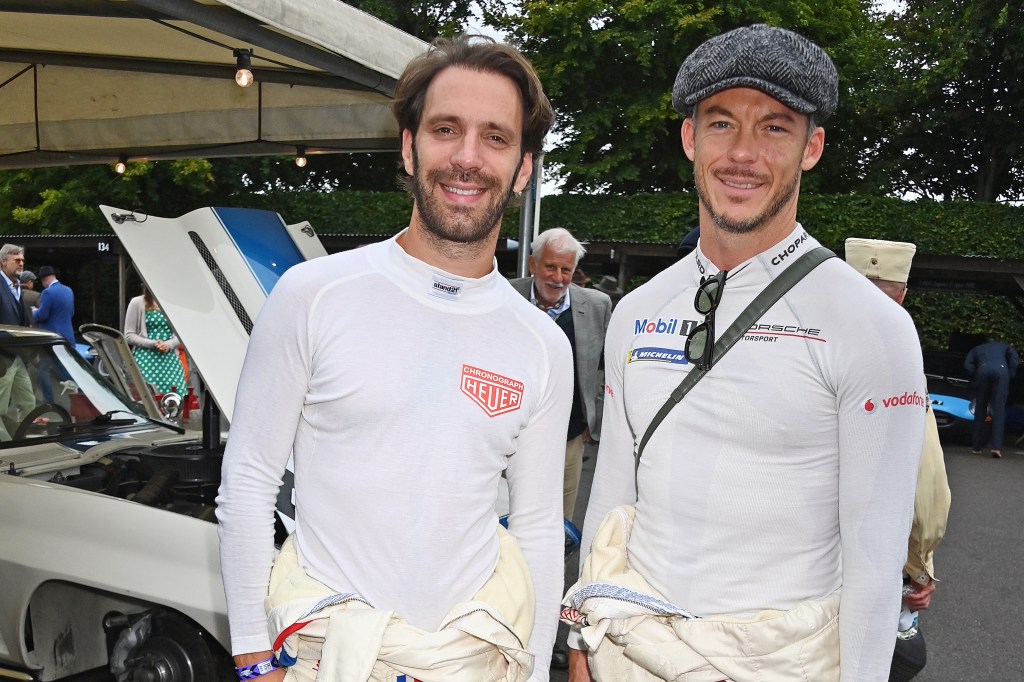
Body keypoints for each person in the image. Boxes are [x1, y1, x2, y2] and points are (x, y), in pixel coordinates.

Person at [565, 24, 926, 682]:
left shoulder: (871, 326)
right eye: (722, 123)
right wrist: (582, 640)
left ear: (811, 147)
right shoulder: (639, 311)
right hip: (629, 653)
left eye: (775, 128)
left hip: (780, 666)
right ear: (689, 138)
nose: (743, 154)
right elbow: (612, 493)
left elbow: (876, 561)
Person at [216, 35, 571, 682]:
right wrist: (251, 656)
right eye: (445, 129)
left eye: (495, 137)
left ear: (523, 168)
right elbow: (247, 480)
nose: (467, 158)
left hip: (469, 664)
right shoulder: (312, 296)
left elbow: (541, 528)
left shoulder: (541, 343)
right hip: (323, 659)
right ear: (410, 146)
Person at [845, 237, 952, 680]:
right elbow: (926, 484)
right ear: (903, 293)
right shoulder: (902, 360)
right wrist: (919, 566)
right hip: (870, 557)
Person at [511, 228, 612, 520]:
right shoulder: (507, 295)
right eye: (550, 267)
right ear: (533, 264)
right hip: (513, 437)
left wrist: (590, 414)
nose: (558, 278)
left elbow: (605, 365)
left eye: (566, 269)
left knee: (560, 524)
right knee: (510, 516)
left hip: (569, 438)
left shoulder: (597, 305)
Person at [124, 285, 186, 399]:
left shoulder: (174, 304)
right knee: (146, 394)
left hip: (170, 359)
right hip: (145, 358)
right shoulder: (137, 302)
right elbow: (128, 335)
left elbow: (183, 334)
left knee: (175, 396)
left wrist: (169, 344)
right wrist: (153, 344)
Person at [0, 245, 35, 438]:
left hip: (19, 356)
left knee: (28, 402)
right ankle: (5, 446)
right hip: (1, 357)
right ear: (3, 262)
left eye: (22, 260)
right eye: (16, 260)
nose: (21, 263)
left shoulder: (17, 285)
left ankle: (22, 438)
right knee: (1, 408)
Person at [964, 338, 1019, 458]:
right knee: (998, 409)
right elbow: (1014, 359)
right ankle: (996, 447)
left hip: (983, 370)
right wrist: (1010, 374)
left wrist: (976, 375)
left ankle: (976, 447)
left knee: (980, 409)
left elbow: (967, 364)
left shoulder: (977, 349)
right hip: (1001, 371)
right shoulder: (1005, 347)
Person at [32, 266, 75, 344]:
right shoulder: (69, 290)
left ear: (44, 279)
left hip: (53, 337)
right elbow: (71, 313)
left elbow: (42, 315)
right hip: (68, 335)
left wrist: (34, 312)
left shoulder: (47, 292)